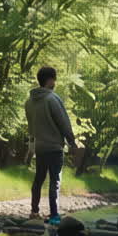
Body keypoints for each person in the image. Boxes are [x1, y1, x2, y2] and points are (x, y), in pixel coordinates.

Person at [24, 65, 78, 225]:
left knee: (39, 179)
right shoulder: (53, 99)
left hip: (39, 148)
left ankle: (34, 212)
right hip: (54, 147)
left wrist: (31, 150)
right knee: (55, 180)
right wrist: (72, 142)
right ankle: (54, 215)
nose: (55, 82)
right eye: (54, 79)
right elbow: (64, 123)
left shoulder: (29, 102)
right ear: (50, 80)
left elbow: (31, 128)